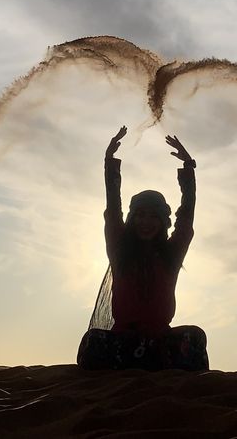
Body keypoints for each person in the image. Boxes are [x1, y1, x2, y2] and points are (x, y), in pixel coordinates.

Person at [77, 126, 209, 370]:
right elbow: (113, 207)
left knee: (195, 336)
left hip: (160, 341)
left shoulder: (171, 254)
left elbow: (187, 215)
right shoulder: (119, 250)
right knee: (92, 341)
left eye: (153, 216)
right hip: (123, 340)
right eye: (140, 215)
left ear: (162, 222)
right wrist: (110, 161)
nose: (146, 222)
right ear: (132, 219)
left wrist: (188, 167)